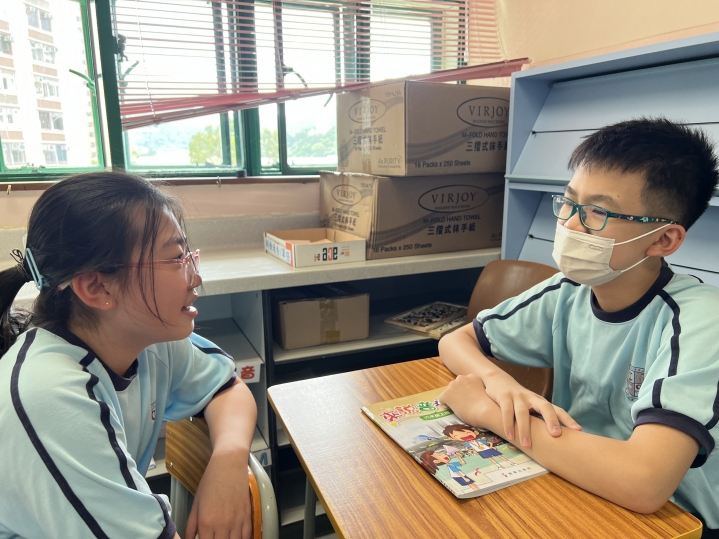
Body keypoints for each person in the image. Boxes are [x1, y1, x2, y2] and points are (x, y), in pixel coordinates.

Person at [438, 118, 719, 537]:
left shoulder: (701, 320)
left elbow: (644, 483)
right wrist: (498, 383)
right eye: (569, 203)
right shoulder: (569, 289)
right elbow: (457, 340)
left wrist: (488, 412)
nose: (569, 224)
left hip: (674, 522)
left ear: (663, 240)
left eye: (597, 213)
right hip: (577, 480)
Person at [0, 172, 257, 539]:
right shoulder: (50, 397)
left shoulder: (148, 339)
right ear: (97, 287)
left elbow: (227, 389)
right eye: (176, 259)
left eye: (188, 255)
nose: (195, 278)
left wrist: (227, 461)